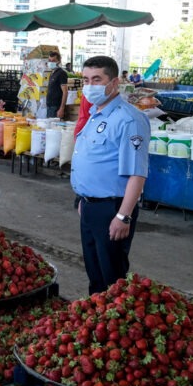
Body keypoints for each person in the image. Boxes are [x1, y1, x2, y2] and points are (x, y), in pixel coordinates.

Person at [70, 56, 150, 295]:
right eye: (85, 79)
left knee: (112, 279)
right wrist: (82, 200)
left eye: (97, 79)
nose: (90, 85)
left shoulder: (129, 119)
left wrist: (123, 216)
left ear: (114, 82)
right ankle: (94, 323)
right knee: (95, 276)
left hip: (112, 209)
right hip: (90, 206)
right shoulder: (96, 114)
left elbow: (137, 173)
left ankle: (112, 321)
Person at [45, 51, 69, 119]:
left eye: (53, 61)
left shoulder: (61, 73)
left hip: (56, 107)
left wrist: (61, 108)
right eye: (49, 60)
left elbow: (65, 92)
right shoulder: (52, 73)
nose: (51, 62)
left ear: (58, 62)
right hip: (50, 106)